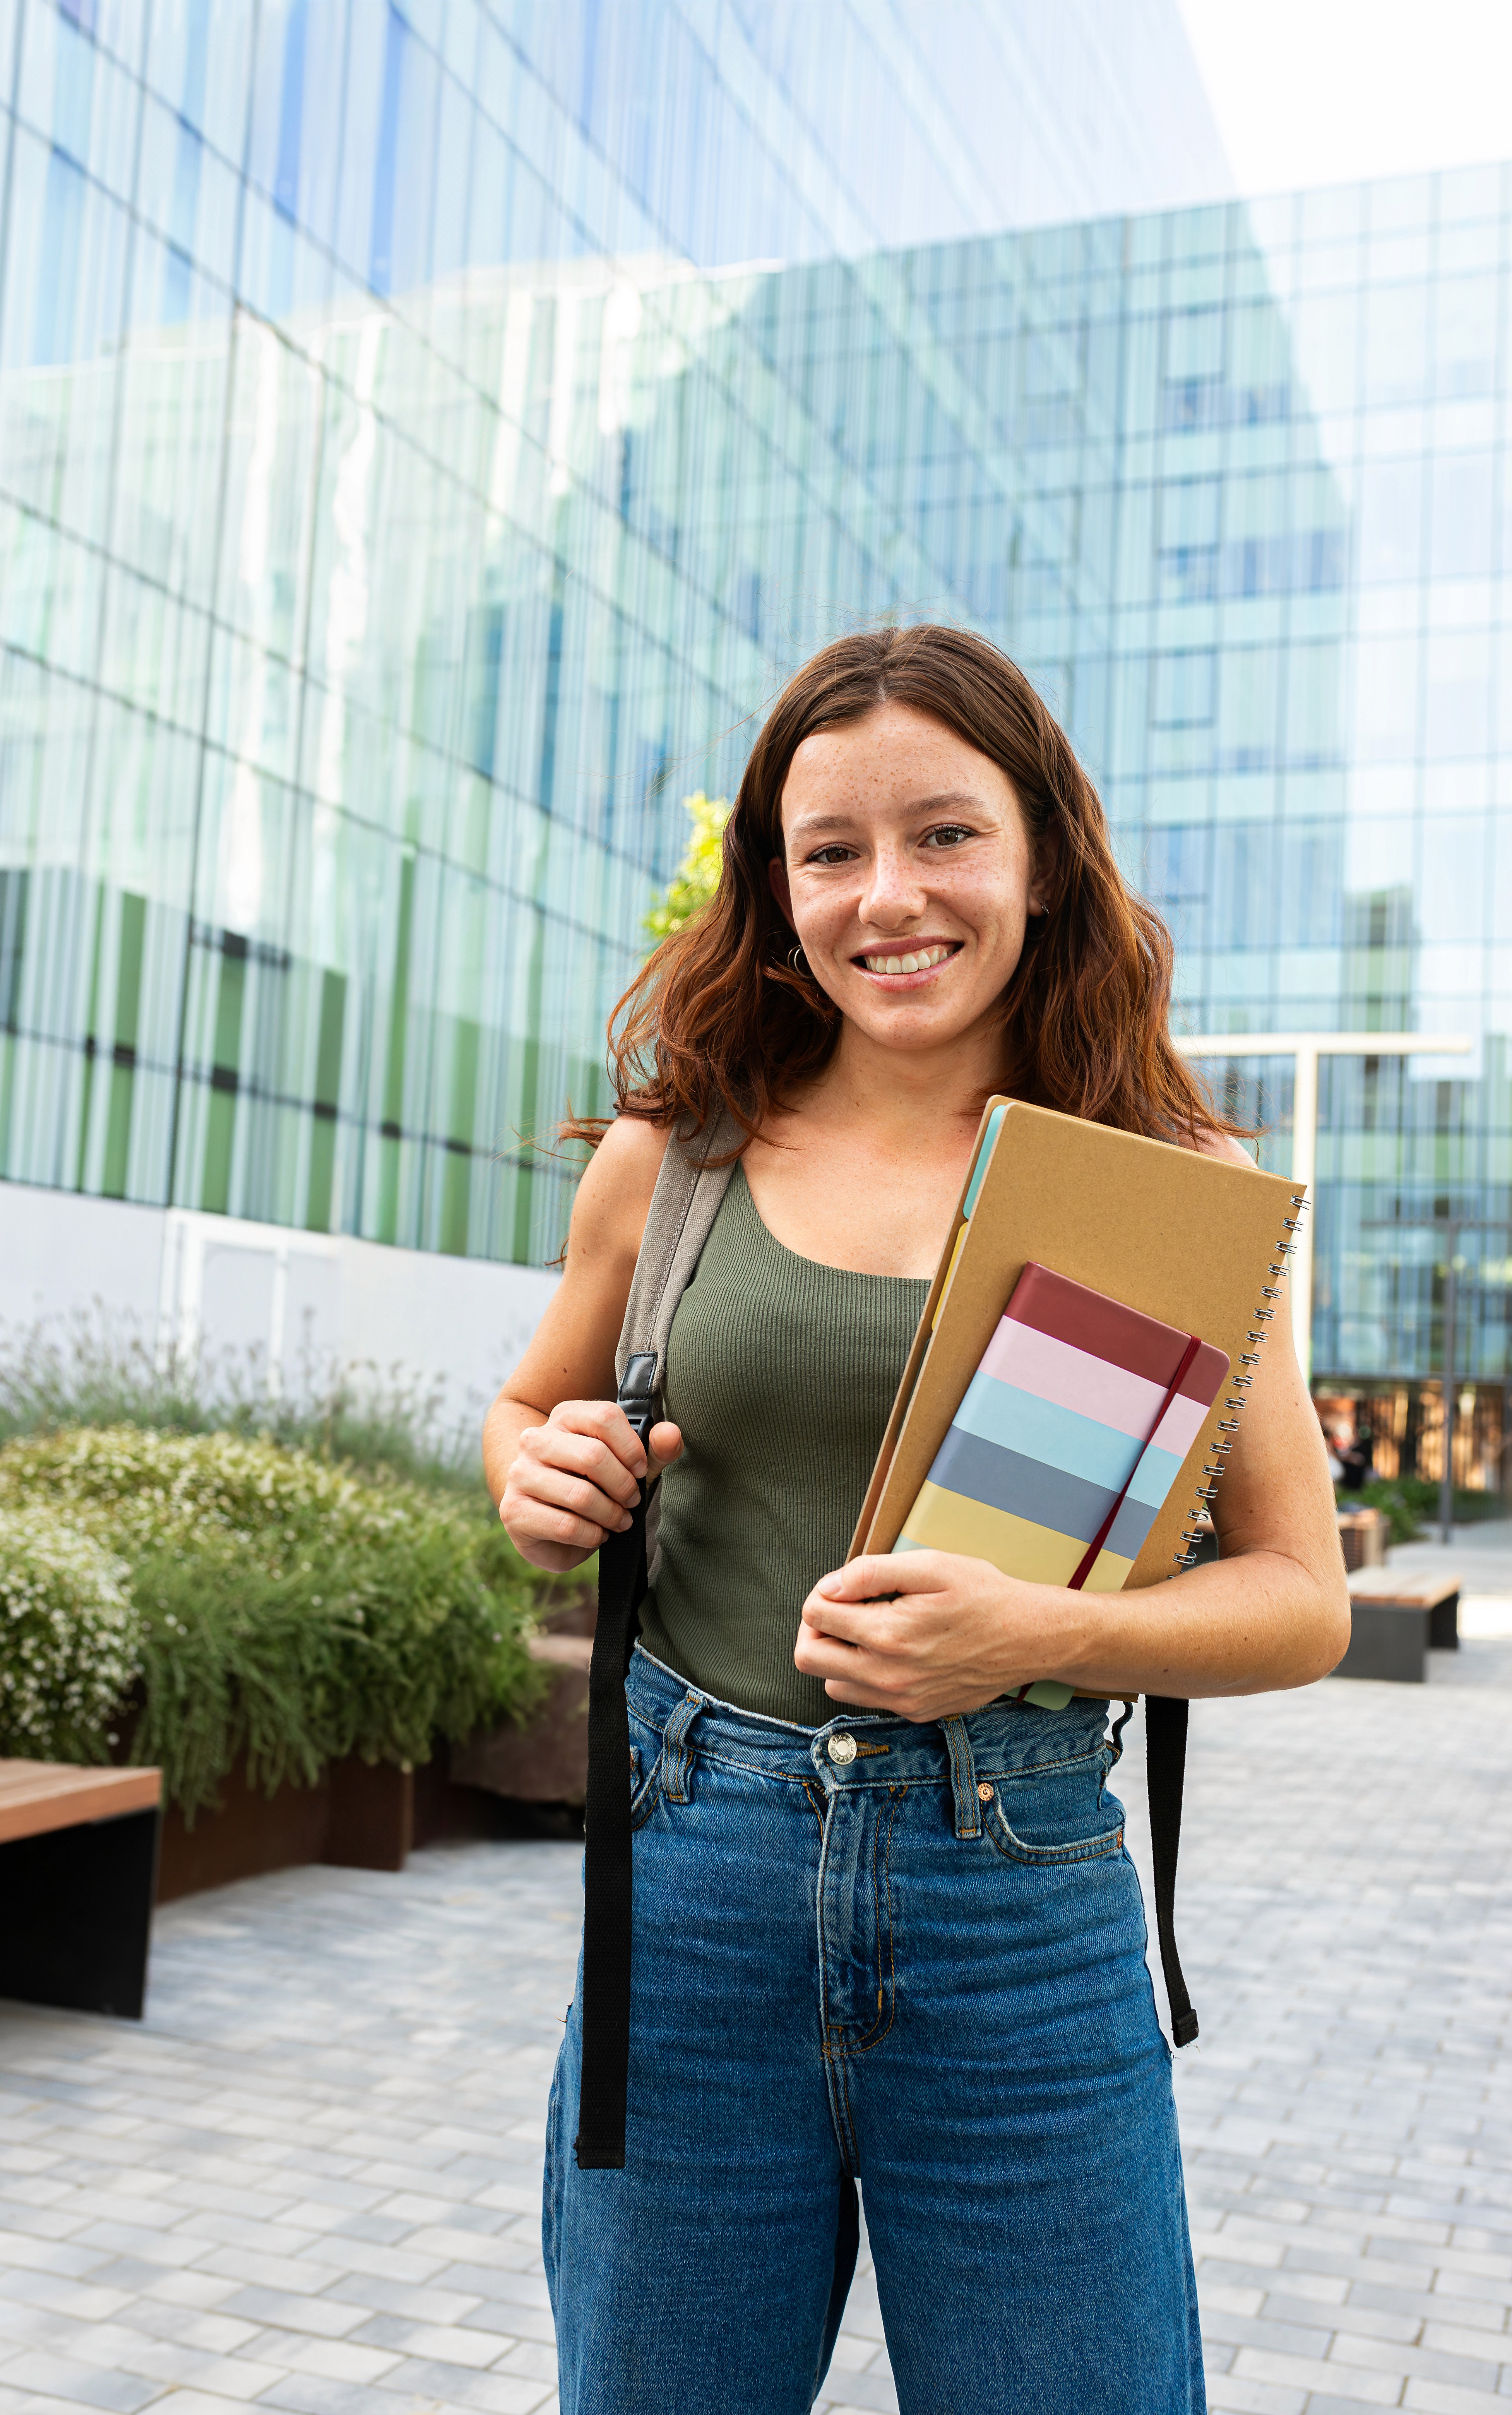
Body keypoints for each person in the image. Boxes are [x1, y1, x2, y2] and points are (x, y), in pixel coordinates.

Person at [484, 625, 1349, 2415]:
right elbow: (524, 1417)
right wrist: (531, 1476)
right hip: (691, 1885)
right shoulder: (675, 1159)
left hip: (1011, 1902)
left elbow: (1297, 1599)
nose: (889, 896)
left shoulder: (1175, 1195)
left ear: (1039, 855)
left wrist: (1051, 1637)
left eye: (944, 835)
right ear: (773, 885)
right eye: (830, 852)